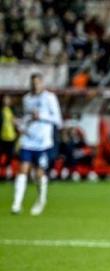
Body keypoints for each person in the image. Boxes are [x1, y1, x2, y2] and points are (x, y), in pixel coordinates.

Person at [11, 73, 63, 215]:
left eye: (38, 83)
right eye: (34, 83)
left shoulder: (50, 98)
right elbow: (27, 120)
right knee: (23, 169)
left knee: (39, 174)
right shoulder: (27, 99)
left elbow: (58, 121)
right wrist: (19, 124)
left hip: (43, 142)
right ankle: (16, 204)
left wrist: (41, 116)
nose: (36, 85)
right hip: (28, 140)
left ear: (43, 83)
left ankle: (41, 200)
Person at [1, 95, 18, 179]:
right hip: (2, 136)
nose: (6, 101)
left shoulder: (12, 110)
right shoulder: (1, 110)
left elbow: (15, 121)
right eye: (5, 99)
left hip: (11, 136)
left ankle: (8, 173)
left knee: (10, 155)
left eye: (7, 99)